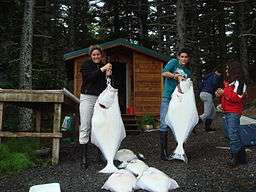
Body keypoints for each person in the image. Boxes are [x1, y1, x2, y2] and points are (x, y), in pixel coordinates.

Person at [79, 45, 112, 168]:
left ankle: (99, 156)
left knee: (99, 126)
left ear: (101, 55)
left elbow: (108, 84)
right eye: (94, 54)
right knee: (85, 125)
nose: (96, 56)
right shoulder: (86, 65)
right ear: (90, 55)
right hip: (87, 98)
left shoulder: (104, 65)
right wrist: (103, 69)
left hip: (100, 99)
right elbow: (89, 78)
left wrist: (109, 74)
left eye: (98, 54)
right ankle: (84, 158)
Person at [159, 48, 192, 161]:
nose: (184, 59)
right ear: (178, 57)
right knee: (164, 123)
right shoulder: (173, 62)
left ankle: (180, 151)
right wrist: (175, 76)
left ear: (188, 59)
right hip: (168, 98)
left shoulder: (188, 72)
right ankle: (163, 153)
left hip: (180, 101)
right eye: (182, 56)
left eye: (186, 57)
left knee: (180, 124)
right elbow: (164, 73)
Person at [215, 59, 247, 167]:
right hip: (228, 111)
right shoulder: (229, 83)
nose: (227, 71)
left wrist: (224, 92)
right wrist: (221, 104)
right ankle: (242, 158)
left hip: (234, 112)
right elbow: (229, 97)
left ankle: (234, 158)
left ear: (234, 70)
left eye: (228, 69)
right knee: (234, 133)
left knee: (233, 134)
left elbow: (237, 98)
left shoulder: (240, 82)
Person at [198, 67, 222, 132]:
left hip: (203, 93)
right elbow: (214, 84)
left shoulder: (208, 76)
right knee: (207, 113)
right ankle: (193, 124)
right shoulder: (215, 76)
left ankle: (207, 128)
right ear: (217, 72)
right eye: (220, 73)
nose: (220, 75)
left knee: (213, 112)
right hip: (207, 94)